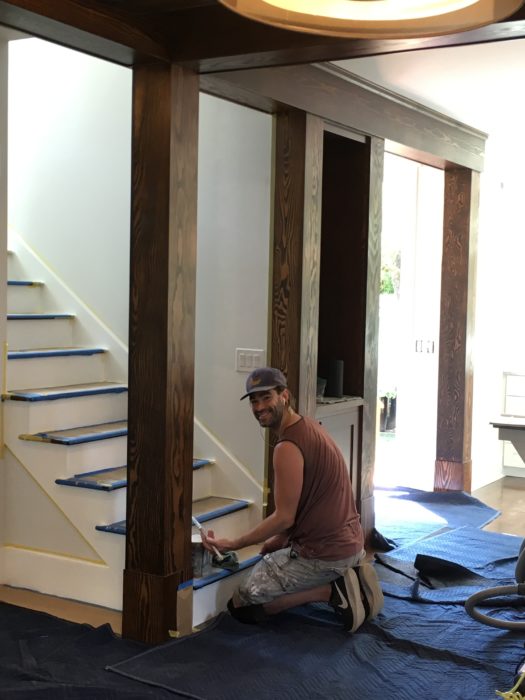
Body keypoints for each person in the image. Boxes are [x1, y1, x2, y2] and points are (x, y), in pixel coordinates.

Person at [202, 366, 384, 632]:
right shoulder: (309, 427)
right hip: (348, 542)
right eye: (254, 400)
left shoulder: (287, 447)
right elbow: (305, 506)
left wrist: (235, 543)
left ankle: (331, 590)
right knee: (272, 554)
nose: (259, 406)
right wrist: (282, 539)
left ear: (284, 396)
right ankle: (342, 578)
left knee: (243, 604)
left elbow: (285, 516)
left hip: (325, 553)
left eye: (266, 398)